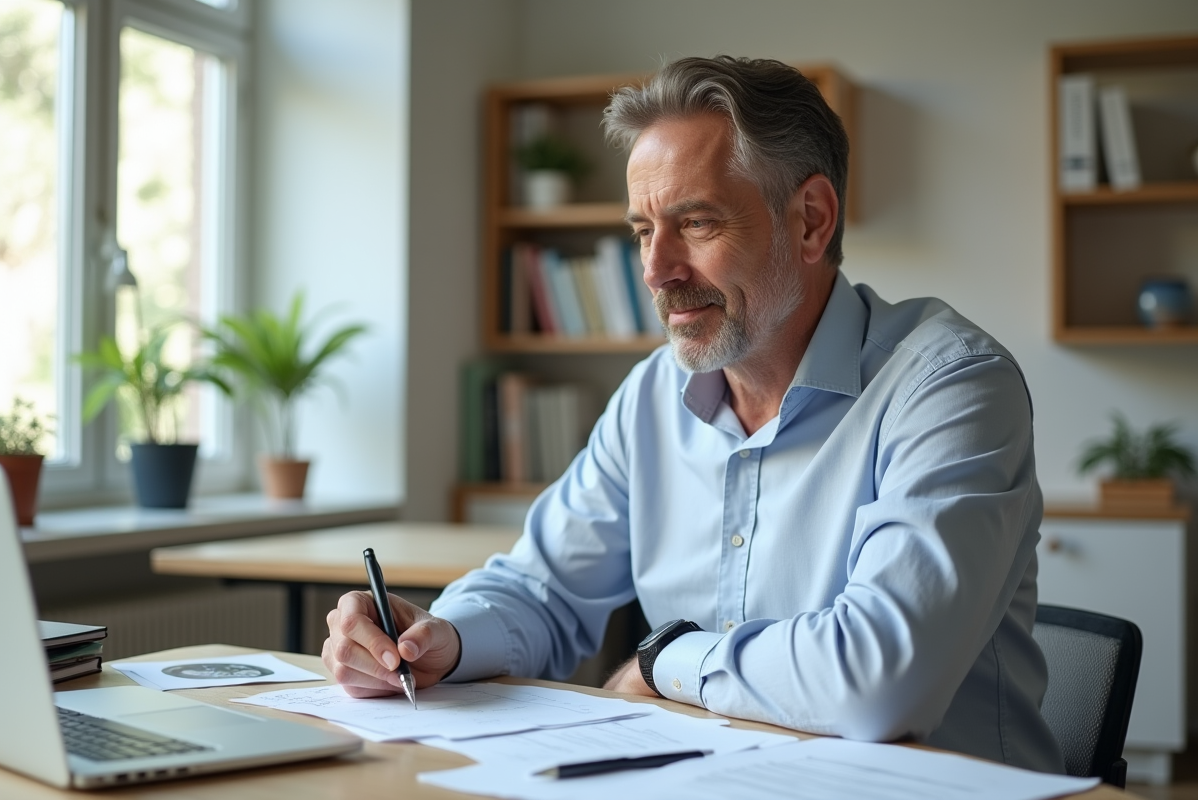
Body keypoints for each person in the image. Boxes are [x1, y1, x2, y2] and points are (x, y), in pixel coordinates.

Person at [323, 56, 1064, 773]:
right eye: (644, 230)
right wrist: (434, 639)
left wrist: (661, 660)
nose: (655, 270)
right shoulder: (652, 395)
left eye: (697, 224)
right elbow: (543, 588)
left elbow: (878, 682)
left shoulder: (952, 385)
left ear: (810, 220)